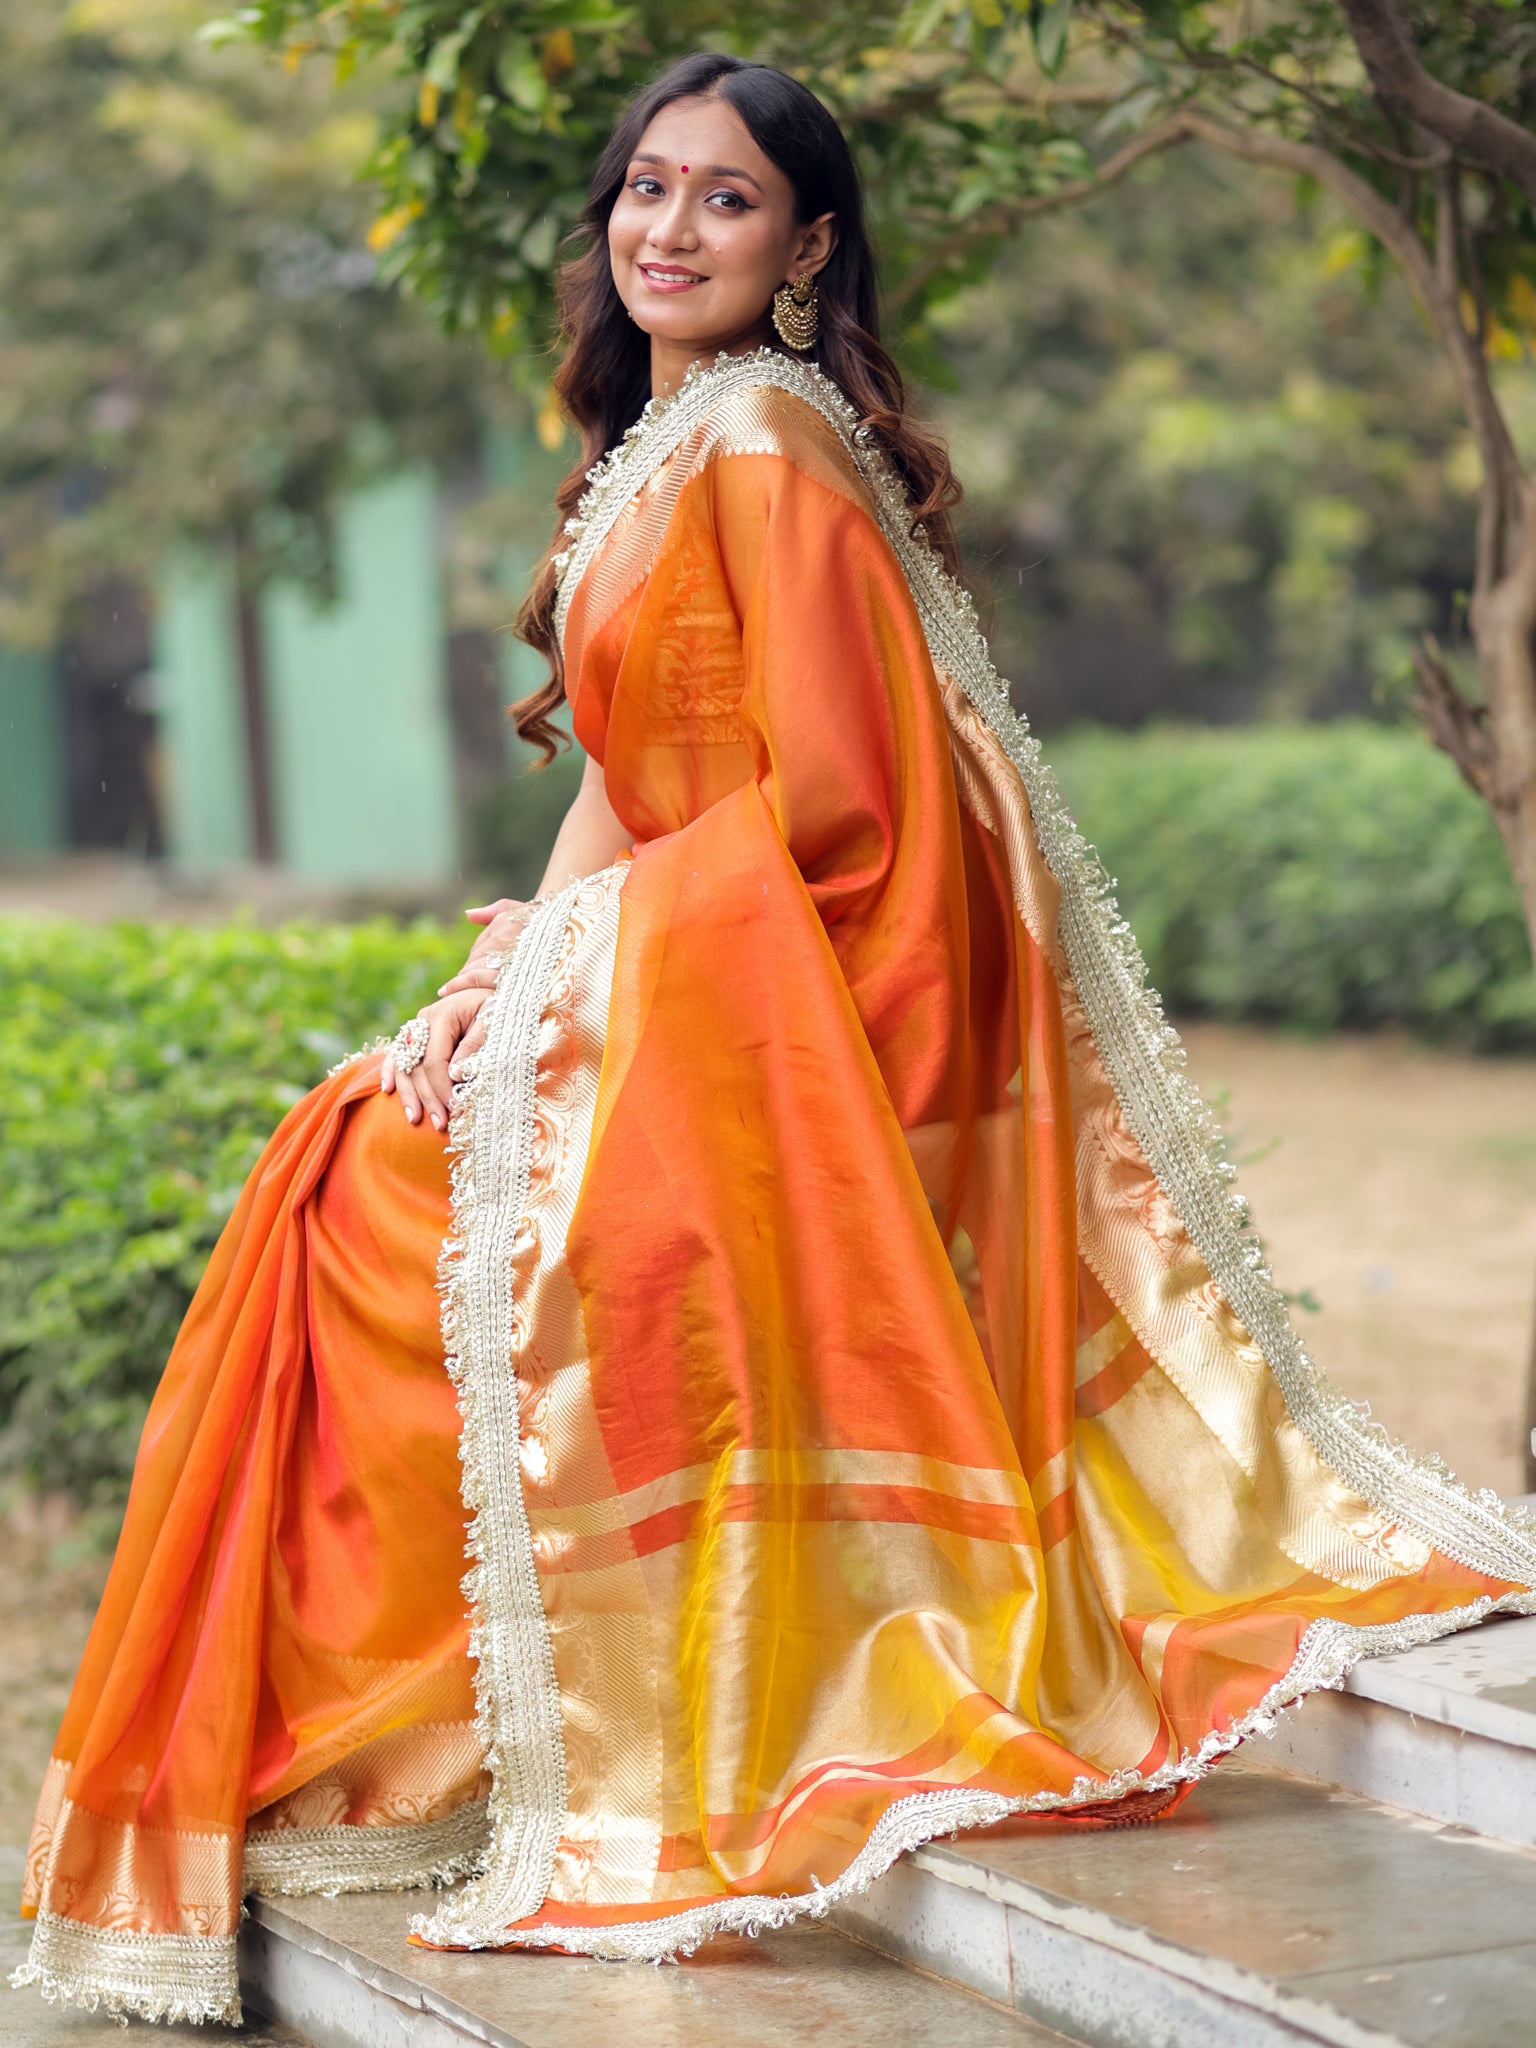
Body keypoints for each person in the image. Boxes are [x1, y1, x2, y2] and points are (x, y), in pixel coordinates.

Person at [15, 50, 1536, 2028]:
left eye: (724, 200)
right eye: (646, 190)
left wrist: (566, 992)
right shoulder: (658, 451)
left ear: (809, 244)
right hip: (696, 995)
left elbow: (847, 826)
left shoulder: (764, 448)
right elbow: (626, 794)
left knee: (363, 1207)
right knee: (351, 1144)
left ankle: (431, 1731)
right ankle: (414, 1736)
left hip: (821, 1018)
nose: (670, 228)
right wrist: (493, 988)